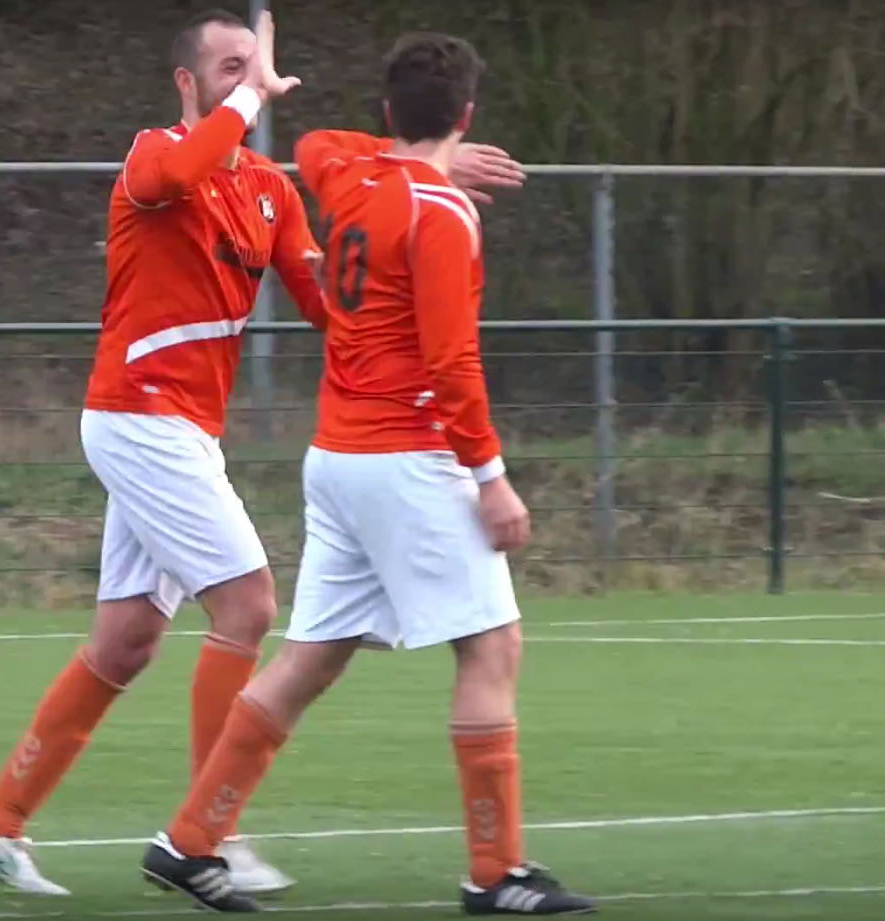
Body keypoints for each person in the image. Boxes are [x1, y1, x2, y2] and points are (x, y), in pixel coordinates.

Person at [0, 9, 524, 898]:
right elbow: (182, 169)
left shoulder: (267, 187)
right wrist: (254, 99)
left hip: (182, 428)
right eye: (227, 69)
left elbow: (330, 303)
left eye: (251, 68)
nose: (245, 82)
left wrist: (425, 166)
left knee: (126, 640)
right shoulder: (156, 156)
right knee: (249, 603)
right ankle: (213, 833)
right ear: (187, 82)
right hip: (138, 414)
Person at [138, 32, 597, 915]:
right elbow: (451, 361)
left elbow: (318, 142)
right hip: (406, 459)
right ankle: (495, 871)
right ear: (466, 116)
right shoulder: (440, 212)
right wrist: (491, 476)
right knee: (490, 646)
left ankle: (188, 840)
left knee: (309, 658)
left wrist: (420, 149)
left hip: (339, 458)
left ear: (389, 112)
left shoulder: (350, 177)